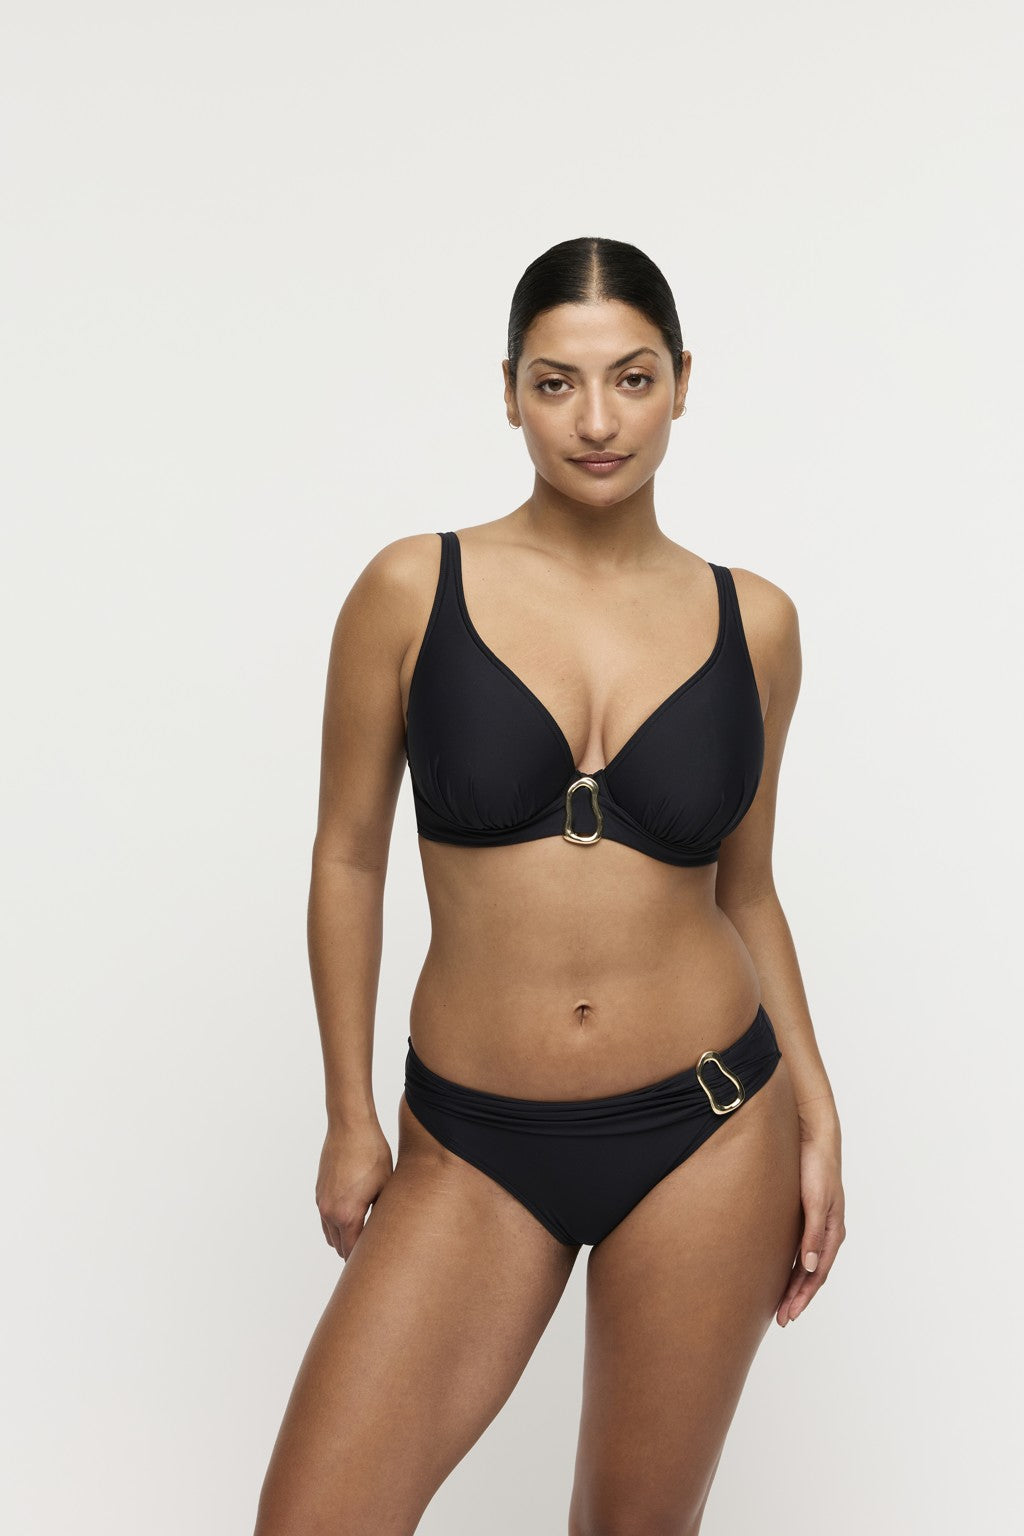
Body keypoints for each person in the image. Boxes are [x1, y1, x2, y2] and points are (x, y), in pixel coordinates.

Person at [253, 235, 846, 1536]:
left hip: (710, 1127)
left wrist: (817, 1111)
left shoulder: (756, 623)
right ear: (511, 392)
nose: (597, 421)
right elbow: (346, 856)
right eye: (557, 382)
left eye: (632, 379)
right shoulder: (412, 588)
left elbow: (747, 891)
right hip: (471, 1144)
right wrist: (349, 1114)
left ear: (681, 382)